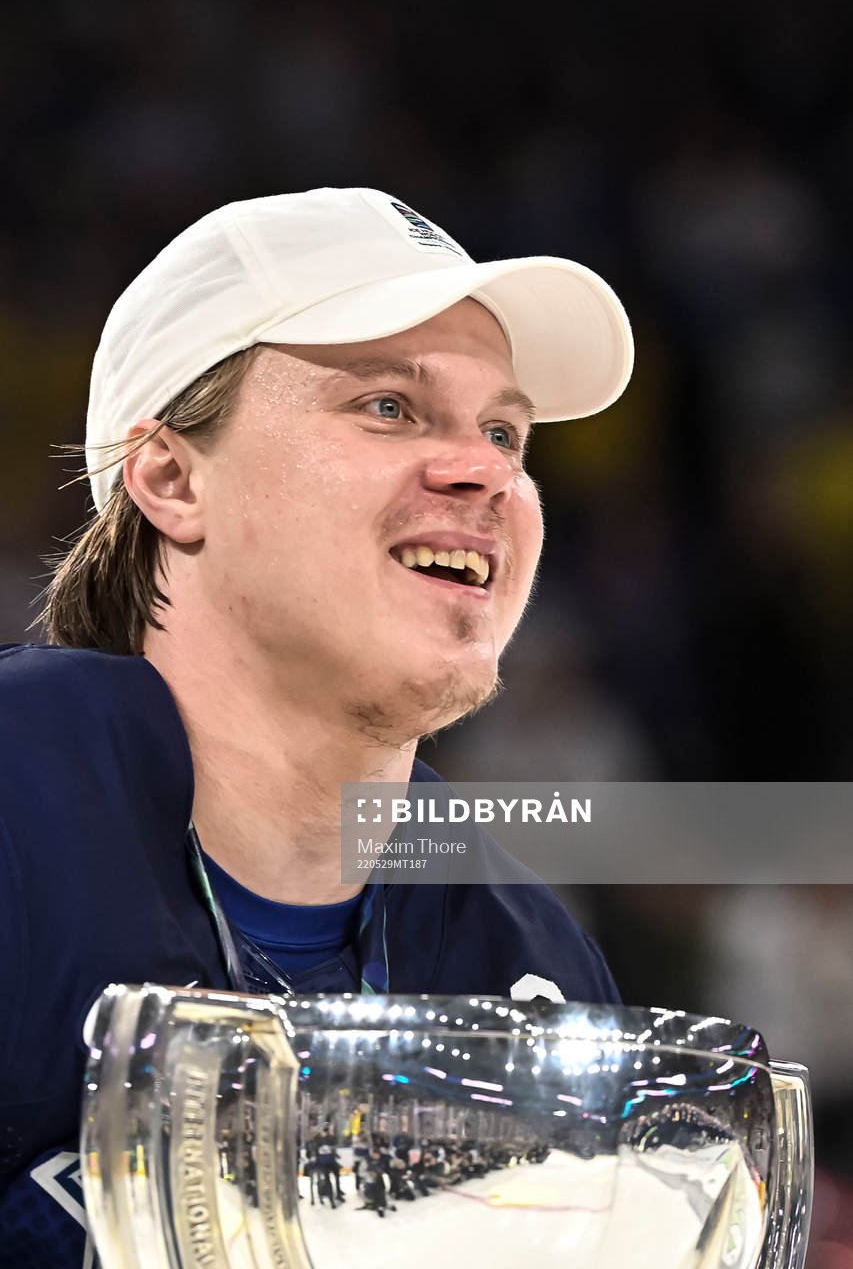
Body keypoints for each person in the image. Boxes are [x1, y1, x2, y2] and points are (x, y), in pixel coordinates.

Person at [0, 186, 633, 1266]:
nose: (484, 467)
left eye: (503, 429)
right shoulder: (20, 794)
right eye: (388, 405)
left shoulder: (529, 956)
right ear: (169, 475)